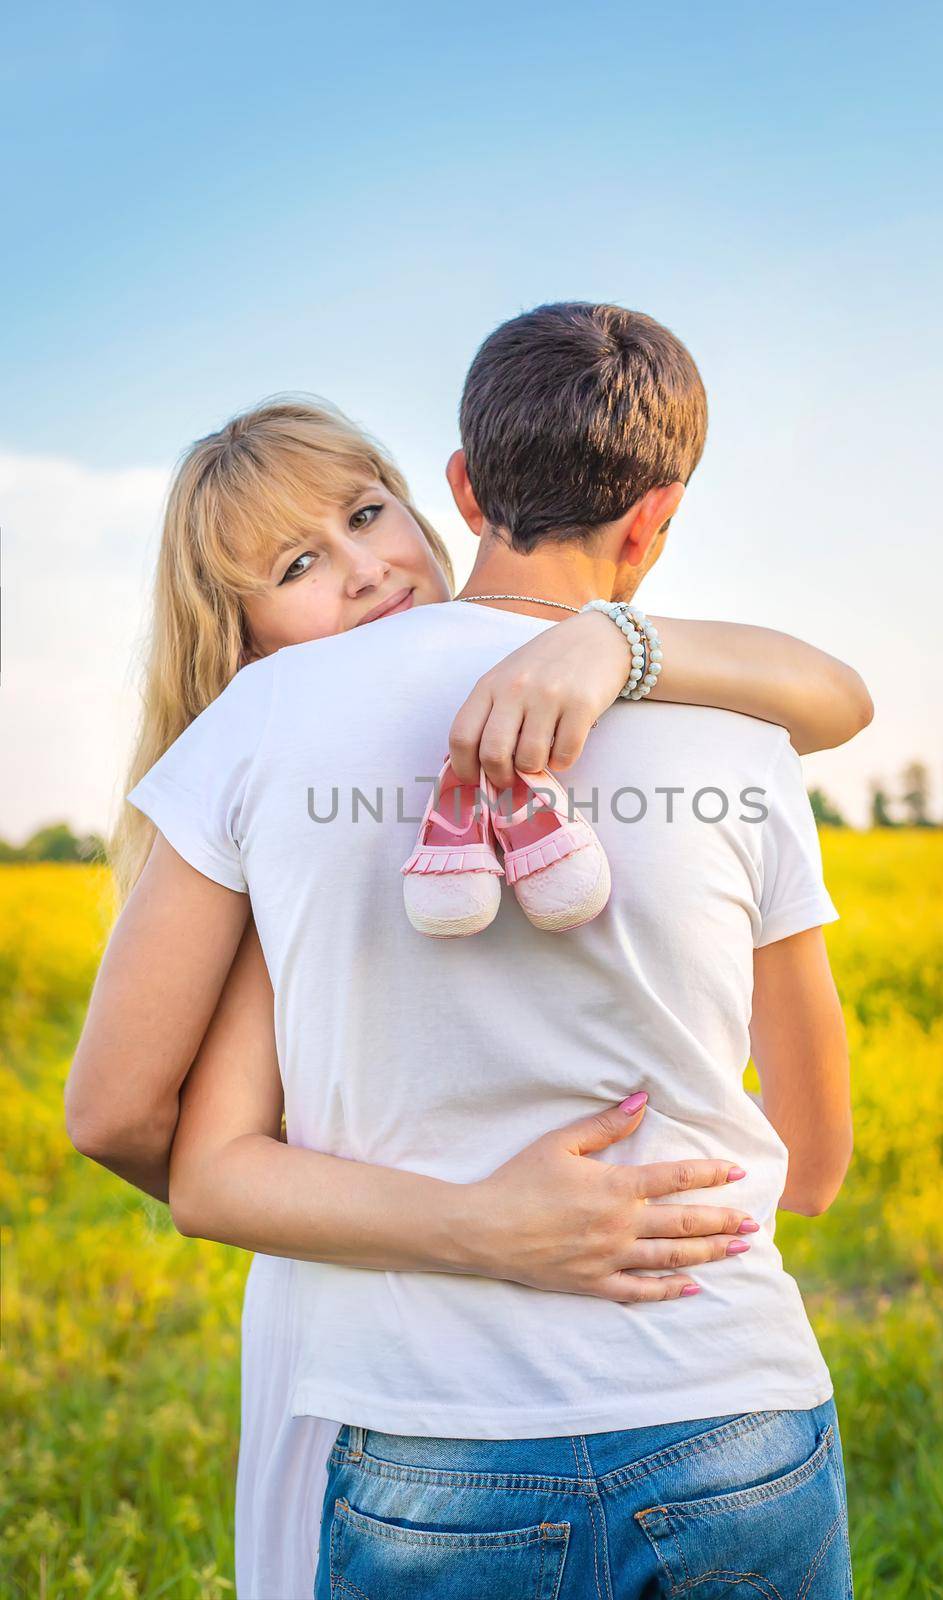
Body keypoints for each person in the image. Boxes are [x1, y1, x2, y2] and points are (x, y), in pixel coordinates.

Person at [66, 308, 863, 1597]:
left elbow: (145, 1134)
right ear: (655, 520)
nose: (367, 569)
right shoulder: (736, 733)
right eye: (298, 565)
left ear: (454, 489)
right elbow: (815, 1165)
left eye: (365, 517)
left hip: (431, 1432)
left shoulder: (270, 733)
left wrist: (387, 1221)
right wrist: (501, 1223)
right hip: (732, 1404)